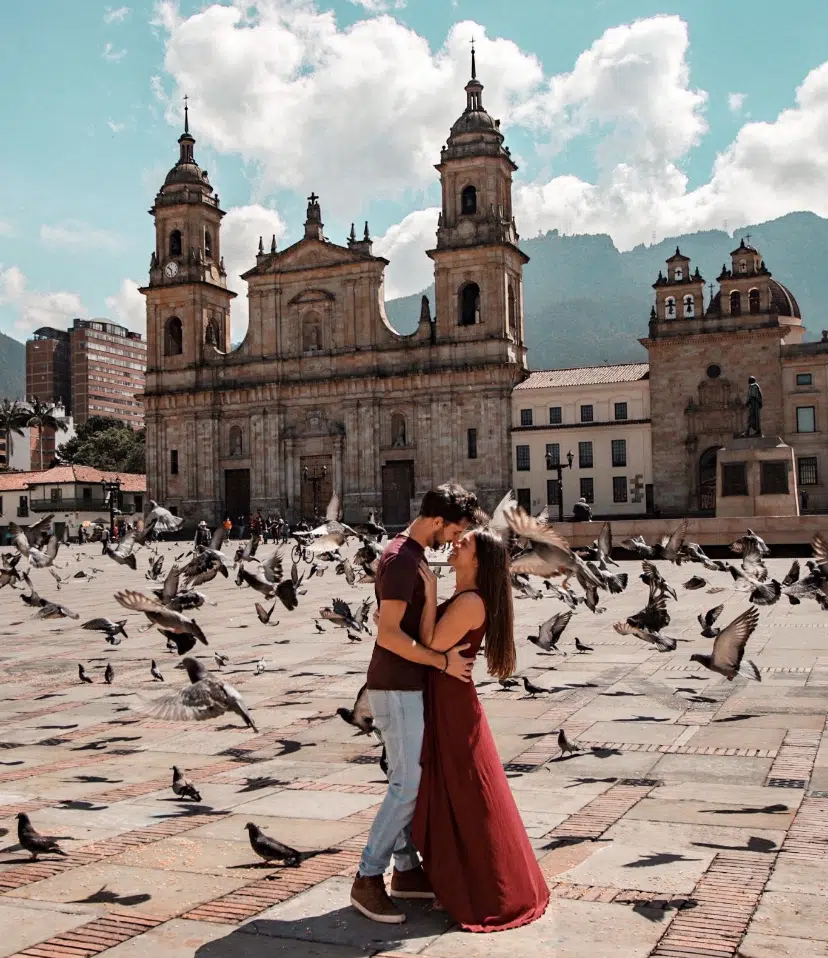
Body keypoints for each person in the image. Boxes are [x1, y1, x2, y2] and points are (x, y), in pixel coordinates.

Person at [350, 483, 481, 925]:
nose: (455, 539)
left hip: (407, 683)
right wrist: (441, 660)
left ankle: (405, 872)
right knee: (406, 785)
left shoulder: (412, 556)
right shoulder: (403, 559)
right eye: (456, 529)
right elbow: (387, 633)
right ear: (438, 520)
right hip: (396, 684)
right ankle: (368, 878)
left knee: (410, 779)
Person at [412, 527, 550, 932]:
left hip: (451, 701)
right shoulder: (468, 598)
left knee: (467, 792)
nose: (456, 543)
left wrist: (430, 592)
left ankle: (491, 887)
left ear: (479, 560)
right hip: (449, 695)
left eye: (466, 543)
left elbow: (431, 641)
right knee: (462, 790)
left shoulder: (471, 602)